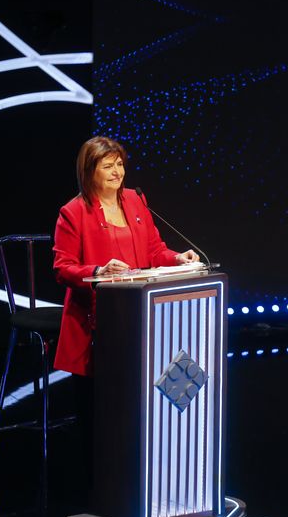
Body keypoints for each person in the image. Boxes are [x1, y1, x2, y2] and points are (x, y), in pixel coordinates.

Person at [53, 136, 200, 377]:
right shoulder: (73, 212)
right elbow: (63, 268)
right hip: (101, 314)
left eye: (119, 164)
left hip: (142, 307)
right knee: (106, 395)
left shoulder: (135, 199)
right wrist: (98, 272)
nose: (117, 172)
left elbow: (154, 251)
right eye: (108, 166)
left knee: (146, 381)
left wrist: (178, 258)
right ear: (90, 171)